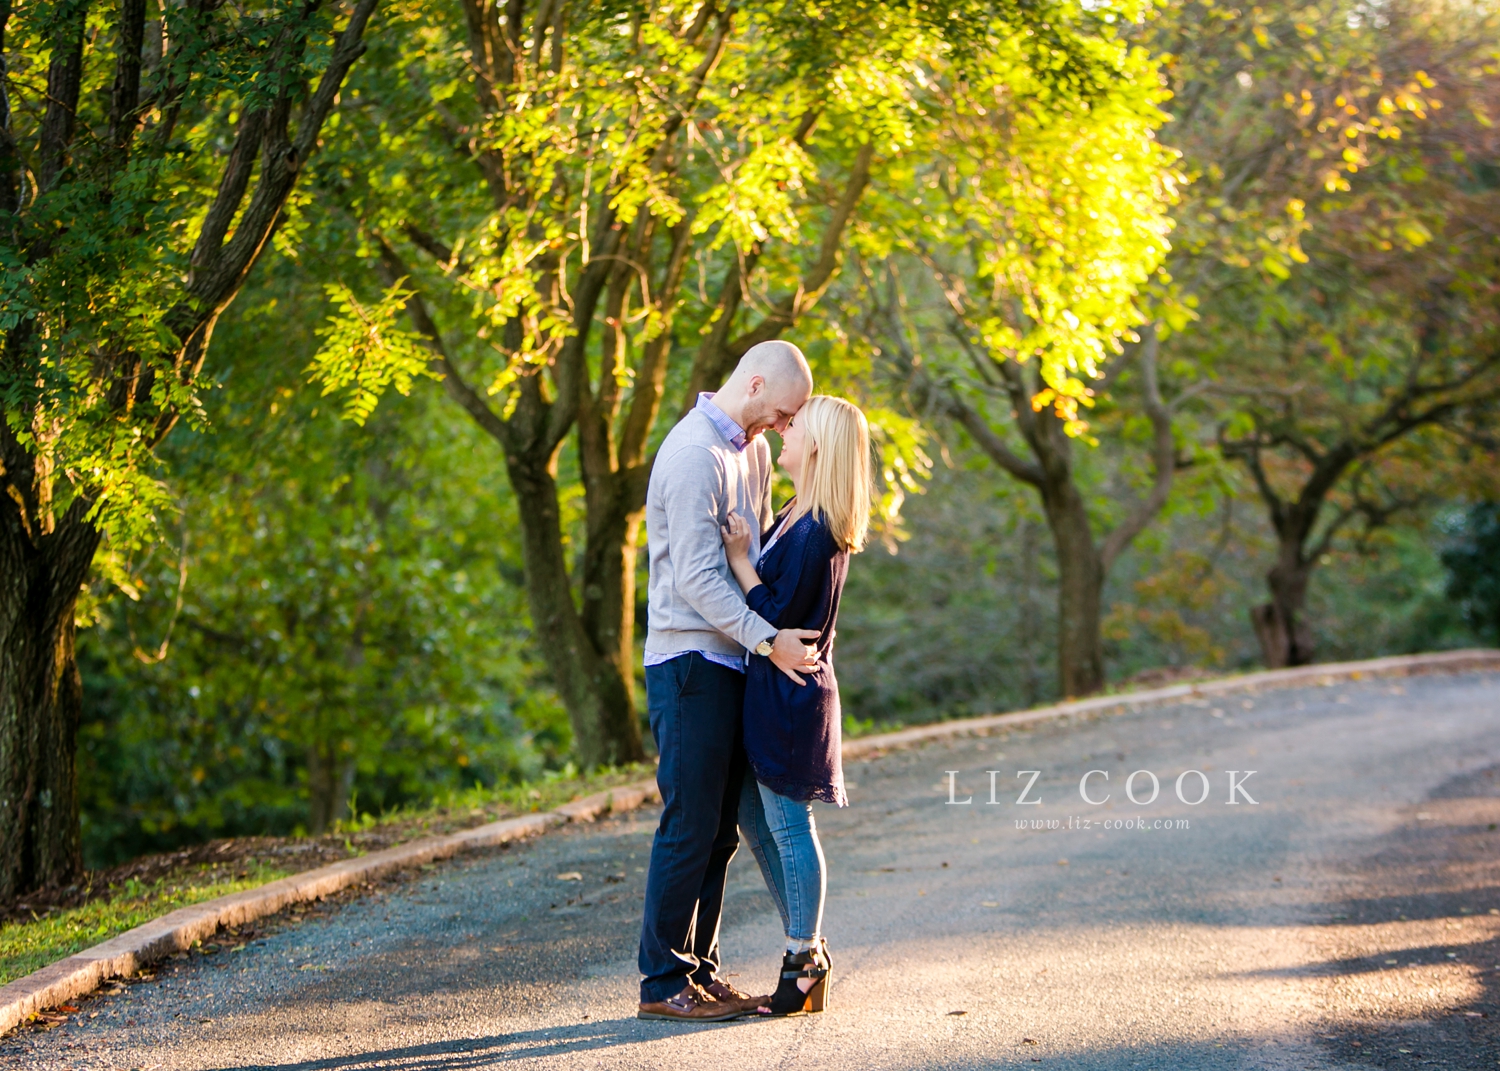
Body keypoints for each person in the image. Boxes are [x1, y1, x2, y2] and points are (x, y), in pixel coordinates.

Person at [635, 340, 823, 1022]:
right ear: (752, 384)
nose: (783, 427)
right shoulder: (693, 455)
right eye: (781, 412)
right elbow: (696, 577)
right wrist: (768, 639)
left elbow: (752, 556)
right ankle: (661, 982)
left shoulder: (755, 451)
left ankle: (700, 970)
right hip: (688, 660)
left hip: (734, 657)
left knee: (719, 828)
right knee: (689, 821)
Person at [720, 394, 872, 1016]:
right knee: (755, 819)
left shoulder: (816, 529)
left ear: (817, 446)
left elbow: (778, 615)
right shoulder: (797, 514)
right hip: (776, 689)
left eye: (794, 427)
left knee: (787, 825)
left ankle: (802, 958)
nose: (783, 431)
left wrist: (737, 561)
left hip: (793, 695)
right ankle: (806, 945)